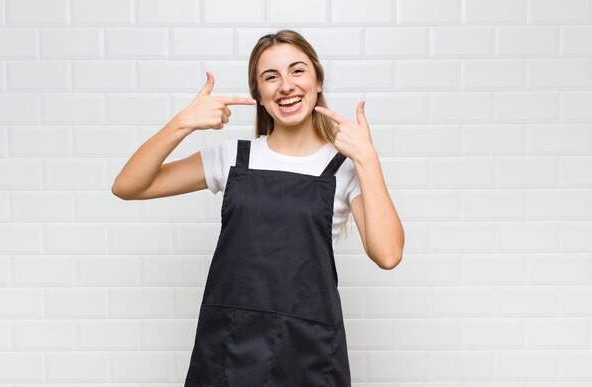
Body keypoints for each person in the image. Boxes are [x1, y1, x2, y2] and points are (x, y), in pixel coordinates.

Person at [112, 29, 404, 387]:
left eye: (297, 71)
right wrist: (183, 123)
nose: (286, 85)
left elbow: (388, 254)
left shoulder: (345, 168)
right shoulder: (233, 158)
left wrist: (367, 158)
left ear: (317, 80)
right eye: (271, 77)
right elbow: (127, 186)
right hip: (228, 347)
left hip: (307, 351)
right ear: (259, 95)